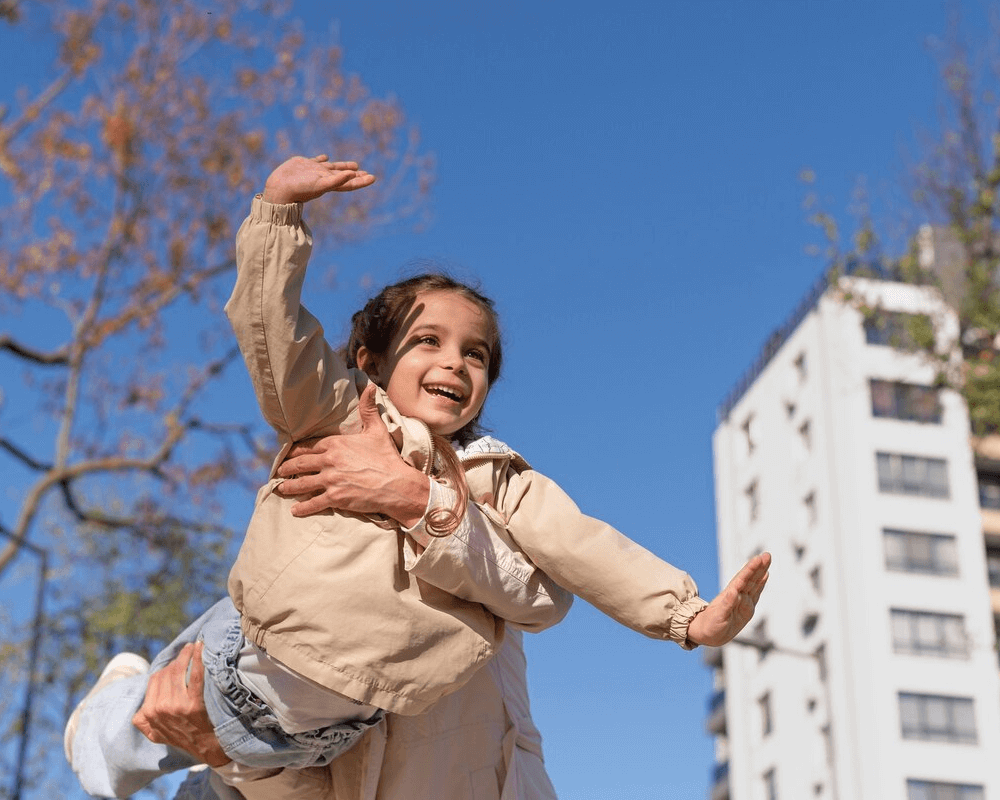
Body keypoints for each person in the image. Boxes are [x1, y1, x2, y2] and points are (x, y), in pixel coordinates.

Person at [66, 155, 770, 799]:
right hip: (271, 652)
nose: (456, 364)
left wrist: (686, 615)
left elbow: (581, 549)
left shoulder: (496, 481)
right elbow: (275, 344)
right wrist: (278, 215)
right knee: (149, 723)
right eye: (428, 341)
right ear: (368, 359)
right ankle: (106, 718)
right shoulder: (337, 416)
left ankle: (132, 712)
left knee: (223, 742)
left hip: (342, 717)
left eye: (478, 356)